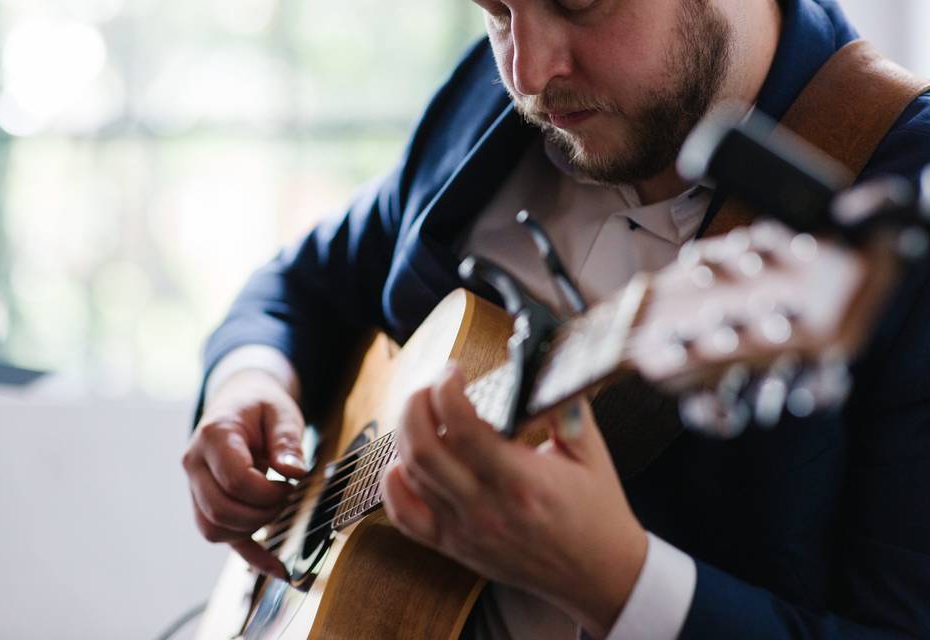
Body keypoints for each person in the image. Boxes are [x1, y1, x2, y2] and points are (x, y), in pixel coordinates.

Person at [182, 0, 930, 637]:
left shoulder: (898, 194)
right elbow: (300, 283)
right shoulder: (490, 102)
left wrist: (620, 582)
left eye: (577, 1)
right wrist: (247, 386)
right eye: (496, 11)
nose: (529, 75)